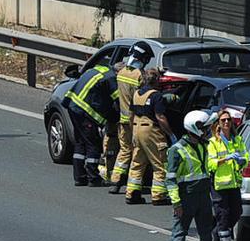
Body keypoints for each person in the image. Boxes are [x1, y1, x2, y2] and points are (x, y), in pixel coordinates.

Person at [165, 110, 221, 241]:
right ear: (194, 129)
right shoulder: (177, 150)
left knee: (206, 237)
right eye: (204, 129)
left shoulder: (203, 146)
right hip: (186, 198)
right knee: (179, 237)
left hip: (203, 197)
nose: (207, 132)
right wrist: (176, 202)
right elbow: (171, 179)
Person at [125, 69, 177, 205]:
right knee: (159, 163)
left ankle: (132, 194)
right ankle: (158, 196)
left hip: (136, 128)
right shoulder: (156, 96)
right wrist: (170, 133)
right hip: (151, 130)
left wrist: (132, 133)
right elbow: (160, 117)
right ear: (156, 81)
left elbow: (130, 115)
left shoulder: (136, 94)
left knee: (137, 162)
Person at [62, 64, 119, 186]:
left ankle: (79, 177)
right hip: (85, 111)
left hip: (73, 105)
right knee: (93, 143)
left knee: (80, 143)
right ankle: (93, 178)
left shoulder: (100, 69)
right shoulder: (111, 78)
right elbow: (119, 101)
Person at [109, 41, 153, 194]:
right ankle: (133, 186)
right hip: (135, 121)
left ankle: (115, 181)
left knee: (124, 150)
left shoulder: (121, 73)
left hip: (122, 120)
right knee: (137, 153)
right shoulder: (140, 75)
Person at [207, 110, 248, 241]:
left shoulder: (237, 140)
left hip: (234, 183)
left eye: (228, 120)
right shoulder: (213, 143)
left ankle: (216, 232)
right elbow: (210, 164)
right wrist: (226, 159)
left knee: (237, 212)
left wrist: (242, 161)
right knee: (223, 214)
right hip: (219, 184)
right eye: (223, 120)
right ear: (218, 123)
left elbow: (245, 156)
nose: (226, 122)